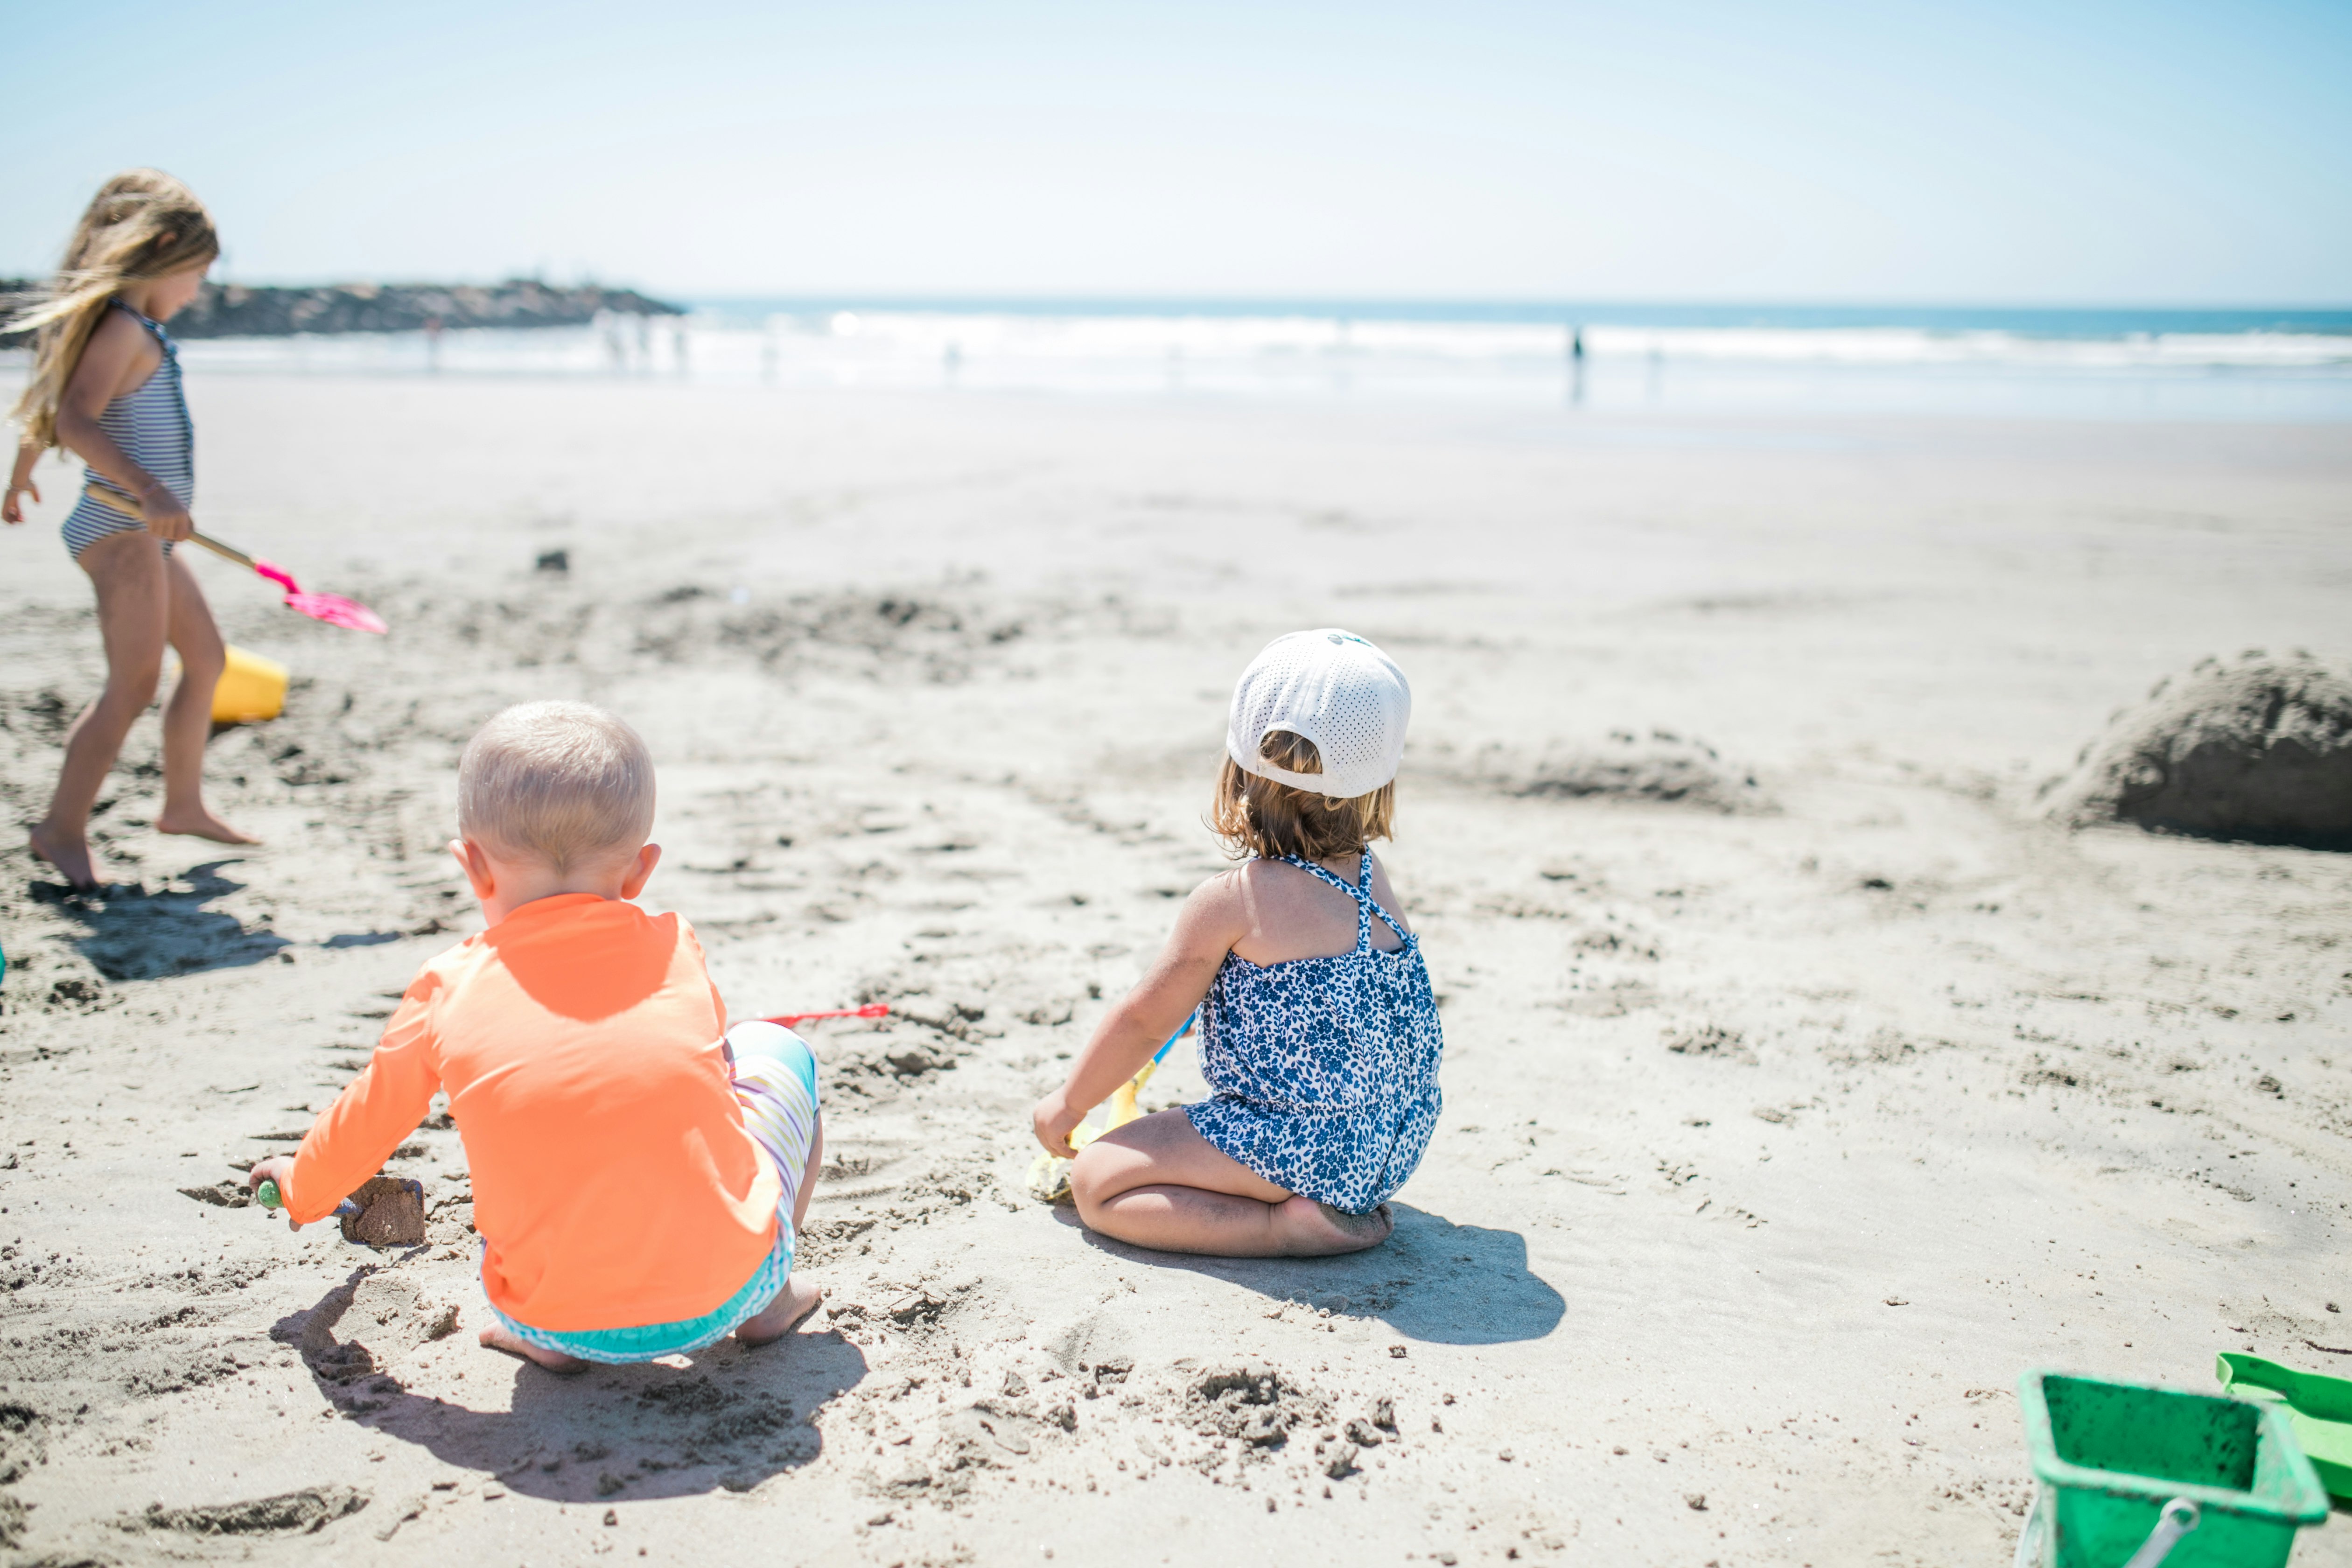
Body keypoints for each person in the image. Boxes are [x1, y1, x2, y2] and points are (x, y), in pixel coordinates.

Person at [245, 701, 825, 1371]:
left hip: (549, 1318)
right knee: (780, 1052)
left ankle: (552, 1344)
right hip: (726, 1293)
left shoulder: (446, 988)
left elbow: (365, 1123)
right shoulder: (676, 947)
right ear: (640, 870)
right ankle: (771, 1299)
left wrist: (300, 1186)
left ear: (474, 868)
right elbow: (714, 1079)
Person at [1032, 630, 1443, 1257]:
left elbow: (1145, 1019)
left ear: (1238, 769)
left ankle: (1283, 1228)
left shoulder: (1234, 901)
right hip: (1390, 1145)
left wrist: (1070, 1102)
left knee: (1098, 1183)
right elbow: (1339, 1006)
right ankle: (1318, 1204)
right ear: (1379, 784)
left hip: (1304, 1147)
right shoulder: (1369, 878)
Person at [2, 169, 252, 889]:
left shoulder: (134, 329)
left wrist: (21, 471)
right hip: (121, 527)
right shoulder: (120, 326)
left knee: (206, 659)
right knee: (132, 685)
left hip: (147, 533)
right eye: (197, 275)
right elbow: (76, 417)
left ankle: (182, 804)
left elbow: (54, 401)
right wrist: (147, 488)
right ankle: (61, 828)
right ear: (166, 249)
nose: (196, 293)